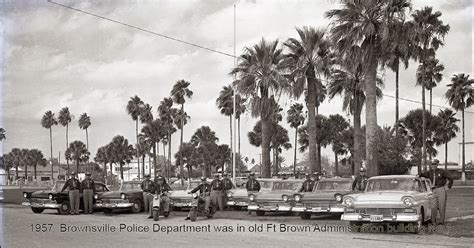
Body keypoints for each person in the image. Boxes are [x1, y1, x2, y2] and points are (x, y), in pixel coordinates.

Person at [420, 159, 454, 225]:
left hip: (441, 189)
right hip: (433, 190)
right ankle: (433, 222)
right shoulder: (429, 172)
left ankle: (441, 222)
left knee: (441, 206)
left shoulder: (442, 171)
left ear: (437, 164)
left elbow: (450, 178)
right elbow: (422, 174)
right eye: (432, 164)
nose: (433, 166)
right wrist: (419, 175)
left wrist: (448, 187)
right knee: (433, 206)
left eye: (434, 164)